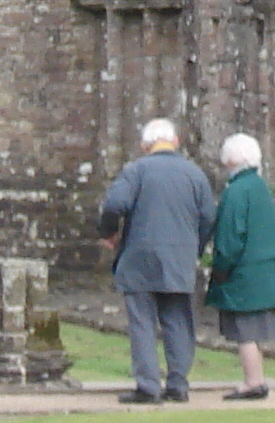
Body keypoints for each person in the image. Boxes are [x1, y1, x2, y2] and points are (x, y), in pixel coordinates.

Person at [99, 117, 216, 405]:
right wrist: (194, 248)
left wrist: (109, 233)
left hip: (140, 257)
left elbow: (114, 204)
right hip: (180, 257)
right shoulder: (195, 174)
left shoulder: (136, 170)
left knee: (142, 322)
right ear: (175, 142)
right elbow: (209, 217)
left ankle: (148, 386)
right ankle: (178, 384)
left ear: (144, 145)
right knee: (178, 320)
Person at [205, 133, 275, 401]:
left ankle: (253, 382)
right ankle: (256, 378)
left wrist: (219, 269)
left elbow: (230, 237)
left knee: (246, 332)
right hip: (266, 270)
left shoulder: (236, 191)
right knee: (252, 331)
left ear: (231, 159)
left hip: (245, 273)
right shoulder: (260, 186)